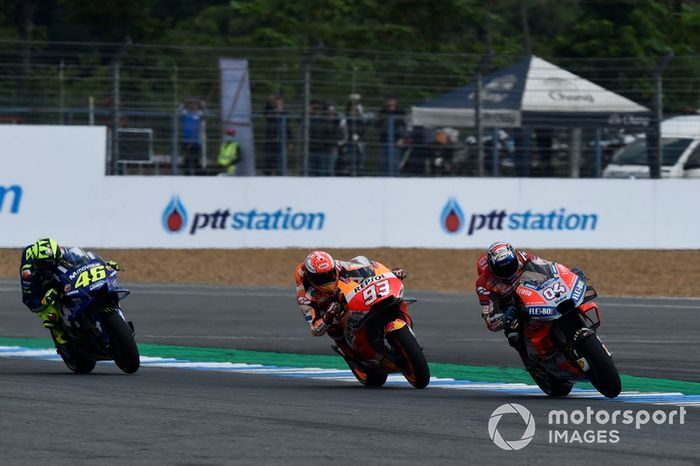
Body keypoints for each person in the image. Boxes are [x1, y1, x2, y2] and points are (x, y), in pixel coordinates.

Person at [475, 241, 586, 368]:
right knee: (514, 336)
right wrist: (504, 317)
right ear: (492, 268)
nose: (507, 270)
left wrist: (569, 274)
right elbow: (489, 319)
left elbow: (550, 267)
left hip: (534, 295)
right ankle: (533, 366)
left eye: (510, 265)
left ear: (515, 258)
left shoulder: (522, 257)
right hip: (512, 310)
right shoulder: (484, 285)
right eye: (501, 268)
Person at [295, 251, 407, 360]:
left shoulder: (339, 266)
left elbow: (369, 269)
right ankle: (348, 352)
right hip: (330, 308)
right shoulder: (304, 296)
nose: (328, 279)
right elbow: (315, 330)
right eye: (321, 278)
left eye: (330, 274)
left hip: (349, 294)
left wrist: (389, 273)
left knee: (360, 259)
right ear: (311, 278)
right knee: (333, 328)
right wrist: (328, 315)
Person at [19, 238, 119, 346]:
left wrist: (104, 265)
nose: (50, 266)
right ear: (37, 263)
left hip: (60, 276)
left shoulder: (60, 252)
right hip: (41, 284)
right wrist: (44, 301)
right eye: (45, 265)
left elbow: (83, 261)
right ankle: (58, 331)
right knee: (51, 317)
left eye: (53, 262)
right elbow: (28, 299)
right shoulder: (28, 273)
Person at [375, 97, 407, 176]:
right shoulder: (382, 112)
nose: (391, 102)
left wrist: (401, 138)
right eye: (389, 100)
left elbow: (404, 126)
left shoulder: (400, 112)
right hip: (384, 139)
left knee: (395, 162)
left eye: (393, 100)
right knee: (384, 162)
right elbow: (376, 125)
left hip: (396, 140)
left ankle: (395, 178)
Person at [263, 95, 293, 175]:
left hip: (281, 141)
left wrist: (290, 141)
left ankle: (280, 175)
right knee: (269, 159)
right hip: (270, 139)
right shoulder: (271, 111)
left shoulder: (285, 113)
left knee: (280, 160)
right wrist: (269, 101)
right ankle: (267, 175)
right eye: (277, 101)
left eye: (280, 101)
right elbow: (265, 111)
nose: (279, 102)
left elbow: (288, 128)